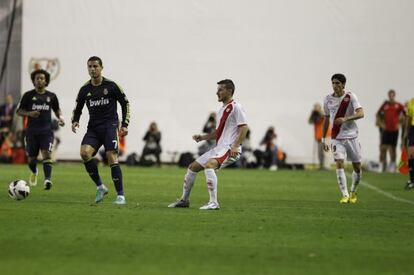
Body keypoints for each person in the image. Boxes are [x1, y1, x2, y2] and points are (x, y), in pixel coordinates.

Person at [168, 79, 248, 210]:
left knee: (209, 165)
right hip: (219, 148)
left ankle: (213, 203)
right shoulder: (222, 110)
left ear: (229, 91)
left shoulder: (236, 107)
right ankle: (184, 200)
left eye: (220, 89)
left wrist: (235, 145)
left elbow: (244, 127)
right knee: (192, 167)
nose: (217, 92)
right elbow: (218, 133)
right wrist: (203, 137)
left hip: (229, 149)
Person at [71, 56, 130, 205]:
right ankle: (100, 187)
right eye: (90, 66)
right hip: (94, 129)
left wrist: (125, 124)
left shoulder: (111, 86)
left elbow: (125, 103)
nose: (92, 69)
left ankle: (120, 196)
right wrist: (75, 121)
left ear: (101, 68)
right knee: (84, 153)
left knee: (111, 157)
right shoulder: (85, 89)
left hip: (110, 126)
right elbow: (77, 108)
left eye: (95, 66)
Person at [16, 69, 65, 189]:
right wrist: (29, 113)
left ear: (46, 80)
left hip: (46, 132)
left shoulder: (51, 96)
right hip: (31, 132)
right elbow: (19, 111)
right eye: (37, 78)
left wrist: (61, 118)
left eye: (42, 78)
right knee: (32, 159)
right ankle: (34, 172)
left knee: (46, 154)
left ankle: (47, 180)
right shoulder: (28, 95)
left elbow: (57, 109)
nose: (39, 80)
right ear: (34, 80)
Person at [322, 73, 364, 204]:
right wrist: (324, 139)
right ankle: (345, 195)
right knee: (339, 162)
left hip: (352, 136)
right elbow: (327, 119)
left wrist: (346, 119)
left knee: (357, 166)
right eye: (333, 83)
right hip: (336, 137)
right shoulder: (327, 99)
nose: (335, 86)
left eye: (337, 83)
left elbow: (361, 113)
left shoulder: (350, 96)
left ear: (343, 84)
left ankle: (353, 191)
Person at [376, 90, 405, 172]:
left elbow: (406, 114)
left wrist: (400, 123)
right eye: (390, 95)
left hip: (394, 130)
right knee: (383, 147)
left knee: (393, 148)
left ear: (394, 96)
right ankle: (382, 165)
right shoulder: (385, 105)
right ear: (388, 96)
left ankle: (392, 165)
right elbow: (377, 114)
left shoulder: (398, 105)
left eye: (393, 95)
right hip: (386, 130)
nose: (391, 97)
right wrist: (382, 124)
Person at [308, 103, 331, 170]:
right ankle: (321, 166)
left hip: (326, 136)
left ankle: (326, 166)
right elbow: (309, 121)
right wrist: (312, 113)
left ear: (320, 107)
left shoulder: (323, 113)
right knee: (320, 153)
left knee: (326, 152)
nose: (315, 108)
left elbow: (325, 116)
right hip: (319, 137)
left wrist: (319, 111)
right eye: (314, 107)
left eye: (316, 107)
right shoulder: (315, 115)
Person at [404, 97, 414, 190]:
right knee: (411, 154)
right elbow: (409, 117)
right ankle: (412, 180)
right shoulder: (411, 101)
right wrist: (406, 132)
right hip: (413, 129)